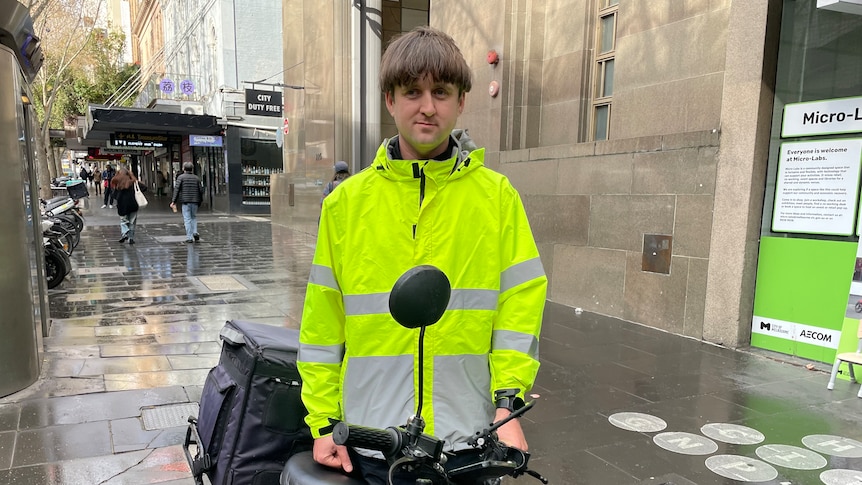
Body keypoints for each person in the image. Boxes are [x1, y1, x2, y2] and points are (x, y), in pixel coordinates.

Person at [298, 26, 547, 484]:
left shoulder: (497, 199)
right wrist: (322, 422)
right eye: (412, 91)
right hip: (372, 440)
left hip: (468, 440)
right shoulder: (345, 205)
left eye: (442, 92)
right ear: (390, 100)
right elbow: (322, 323)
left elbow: (520, 307)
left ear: (461, 101)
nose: (428, 106)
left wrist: (507, 407)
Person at [170, 162, 204, 244]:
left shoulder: (181, 178)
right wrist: (200, 200)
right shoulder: (197, 178)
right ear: (192, 169)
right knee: (193, 217)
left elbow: (177, 190)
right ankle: (195, 232)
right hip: (195, 201)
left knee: (187, 218)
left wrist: (173, 201)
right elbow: (201, 190)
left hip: (185, 201)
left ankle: (189, 237)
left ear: (183, 168)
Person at [110, 168, 146, 245]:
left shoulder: (117, 182)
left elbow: (114, 195)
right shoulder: (133, 182)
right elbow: (144, 188)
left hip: (122, 205)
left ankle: (125, 232)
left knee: (123, 221)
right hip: (133, 204)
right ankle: (131, 238)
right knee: (132, 222)